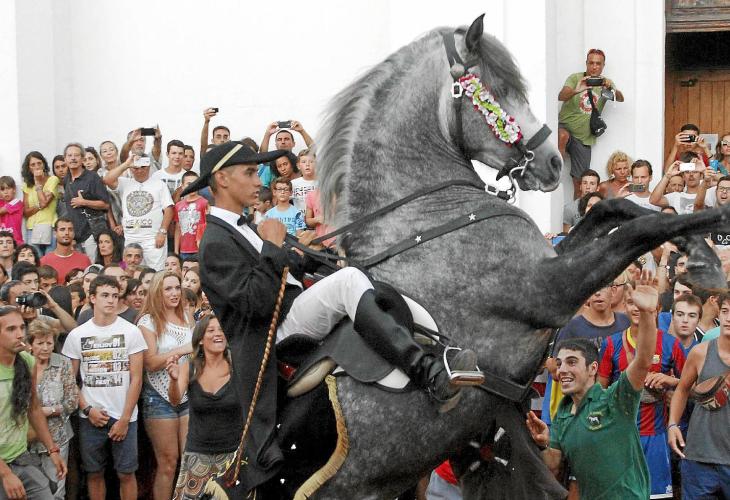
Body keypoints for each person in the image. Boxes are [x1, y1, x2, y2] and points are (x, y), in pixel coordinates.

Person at [183, 142, 478, 494]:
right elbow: (256, 301)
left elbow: (282, 270)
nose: (257, 181)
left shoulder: (246, 226)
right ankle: (426, 371)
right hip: (272, 333)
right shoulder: (214, 241)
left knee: (369, 279)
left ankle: (441, 351)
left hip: (291, 310)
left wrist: (302, 251)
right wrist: (274, 247)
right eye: (248, 173)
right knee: (349, 283)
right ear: (222, 179)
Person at [527, 274, 659, 499]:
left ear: (592, 368)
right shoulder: (562, 413)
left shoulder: (616, 399)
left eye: (572, 362)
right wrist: (541, 445)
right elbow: (554, 463)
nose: (563, 370)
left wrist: (647, 313)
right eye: (559, 364)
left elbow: (644, 359)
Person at [61, 275, 147, 500]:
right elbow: (70, 380)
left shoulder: (131, 332)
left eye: (115, 296)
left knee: (127, 474)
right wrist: (88, 410)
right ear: (92, 298)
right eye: (105, 295)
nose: (111, 300)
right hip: (90, 415)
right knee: (94, 473)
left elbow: (136, 378)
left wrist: (125, 419)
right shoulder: (77, 335)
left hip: (125, 415)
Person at [598, 283, 685, 499]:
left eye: (642, 303)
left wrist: (670, 381)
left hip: (655, 437)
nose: (636, 308)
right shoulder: (611, 344)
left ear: (657, 308)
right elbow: (599, 393)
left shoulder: (671, 344)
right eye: (631, 302)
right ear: (625, 307)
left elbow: (691, 388)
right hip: (619, 437)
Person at [167, 313, 242, 500]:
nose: (218, 334)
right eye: (211, 330)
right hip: (197, 453)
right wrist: (173, 380)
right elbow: (175, 400)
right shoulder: (189, 368)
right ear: (200, 340)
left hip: (232, 454)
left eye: (221, 329)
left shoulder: (238, 366)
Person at [0, 306, 67, 500]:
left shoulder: (28, 361)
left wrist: (52, 449)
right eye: (11, 329)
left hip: (20, 458)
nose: (20, 334)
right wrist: (5, 474)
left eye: (22, 327)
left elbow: (34, 409)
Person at [667, 293, 730, 499]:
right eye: (725, 311)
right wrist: (673, 425)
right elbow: (683, 389)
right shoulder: (701, 352)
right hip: (699, 457)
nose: (728, 318)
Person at [137, 271, 193, 500]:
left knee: (189, 461)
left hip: (187, 395)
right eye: (168, 288)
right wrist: (181, 350)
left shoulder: (188, 317)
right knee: (168, 463)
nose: (174, 293)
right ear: (158, 292)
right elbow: (150, 362)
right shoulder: (147, 321)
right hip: (157, 399)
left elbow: (196, 352)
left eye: (177, 287)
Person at [557, 48, 624, 198]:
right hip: (566, 128)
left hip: (584, 138)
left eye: (598, 64)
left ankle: (579, 217)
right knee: (561, 136)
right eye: (591, 63)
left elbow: (620, 98)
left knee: (581, 184)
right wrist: (576, 90)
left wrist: (610, 88)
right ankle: (556, 172)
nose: (594, 67)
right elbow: (561, 96)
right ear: (586, 64)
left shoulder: (605, 83)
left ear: (603, 66)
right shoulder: (575, 78)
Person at [27, 317, 79, 499]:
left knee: (56, 491)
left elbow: (72, 401)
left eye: (49, 342)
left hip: (57, 437)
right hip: (26, 441)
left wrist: (47, 411)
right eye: (40, 343)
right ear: (30, 344)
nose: (45, 347)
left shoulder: (62, 363)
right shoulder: (22, 365)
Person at [103, 151, 174, 271]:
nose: (139, 170)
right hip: (131, 238)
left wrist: (162, 231)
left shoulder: (159, 184)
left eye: (143, 167)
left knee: (155, 273)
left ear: (149, 167)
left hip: (153, 238)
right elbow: (107, 179)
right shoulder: (124, 183)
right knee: (129, 271)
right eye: (135, 168)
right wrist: (126, 164)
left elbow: (169, 208)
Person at [61, 143, 110, 258]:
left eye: (76, 155)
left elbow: (106, 205)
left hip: (91, 233)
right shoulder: (67, 179)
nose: (73, 158)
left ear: (82, 159)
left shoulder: (92, 177)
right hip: (75, 235)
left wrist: (84, 202)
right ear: (65, 159)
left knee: (93, 268)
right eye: (70, 155)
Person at [21, 152, 59, 255]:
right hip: (32, 229)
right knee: (34, 261)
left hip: (50, 226)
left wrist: (37, 182)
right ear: (28, 168)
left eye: (39, 163)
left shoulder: (53, 180)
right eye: (33, 165)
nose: (37, 167)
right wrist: (39, 205)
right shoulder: (26, 185)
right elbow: (26, 212)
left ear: (44, 164)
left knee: (49, 261)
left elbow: (44, 202)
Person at [40, 218, 92, 284]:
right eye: (62, 229)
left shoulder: (85, 260)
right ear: (55, 233)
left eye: (70, 230)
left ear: (73, 233)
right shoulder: (44, 261)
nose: (66, 233)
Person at [174, 172, 208, 259]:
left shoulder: (204, 203)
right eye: (189, 184)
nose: (192, 186)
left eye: (195, 183)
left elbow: (207, 226)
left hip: (200, 249)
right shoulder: (178, 205)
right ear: (182, 186)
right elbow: (178, 228)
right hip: (184, 250)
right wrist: (176, 250)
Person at [291, 149, 317, 214]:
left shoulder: (322, 183)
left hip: (318, 220)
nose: (307, 164)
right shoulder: (293, 184)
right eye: (303, 162)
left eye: (311, 161)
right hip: (299, 221)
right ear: (298, 166)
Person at [0, 177, 24, 245]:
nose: (6, 192)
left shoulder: (17, 202)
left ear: (14, 190)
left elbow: (1, 211)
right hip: (2, 243)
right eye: (2, 189)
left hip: (15, 242)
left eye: (8, 188)